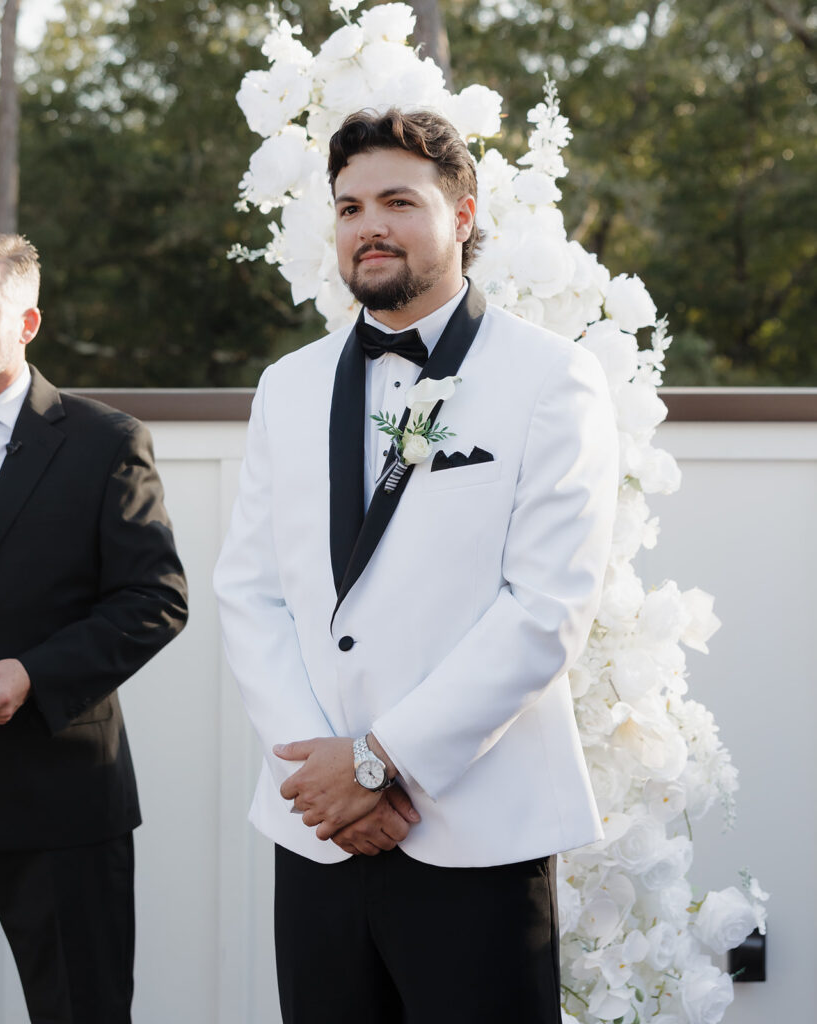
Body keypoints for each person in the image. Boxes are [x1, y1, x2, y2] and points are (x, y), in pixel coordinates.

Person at [214, 109, 618, 1023]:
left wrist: (379, 764)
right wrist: (323, 774)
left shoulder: (551, 377)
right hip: (317, 831)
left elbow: (546, 606)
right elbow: (251, 591)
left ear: (464, 215)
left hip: (472, 829)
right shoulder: (288, 385)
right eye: (350, 206)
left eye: (399, 200)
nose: (370, 225)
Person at [0, 234, 188, 1024]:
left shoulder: (106, 441)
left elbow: (155, 599)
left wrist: (29, 674)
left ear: (28, 321)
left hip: (60, 799)